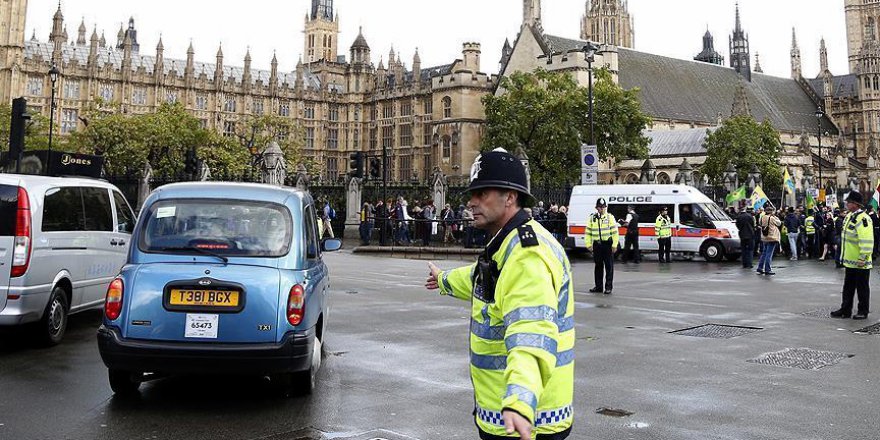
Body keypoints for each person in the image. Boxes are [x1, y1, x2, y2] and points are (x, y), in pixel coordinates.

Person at [424, 148, 575, 440]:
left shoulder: (527, 256)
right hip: (507, 417)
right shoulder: (508, 243)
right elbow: (483, 278)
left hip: (527, 423)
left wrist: (519, 402)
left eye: (482, 193)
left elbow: (532, 333)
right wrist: (444, 279)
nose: (472, 202)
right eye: (472, 193)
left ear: (510, 197)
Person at [831, 192, 873, 320]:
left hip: (860, 261)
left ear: (855, 204)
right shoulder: (850, 216)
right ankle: (845, 309)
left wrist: (863, 257)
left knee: (862, 288)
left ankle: (863, 311)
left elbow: (866, 240)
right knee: (848, 287)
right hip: (850, 261)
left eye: (849, 202)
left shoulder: (863, 219)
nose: (847, 204)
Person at [586, 198, 619, 295]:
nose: (602, 209)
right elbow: (588, 232)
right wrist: (588, 244)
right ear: (596, 208)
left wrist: (614, 244)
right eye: (600, 207)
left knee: (609, 267)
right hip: (597, 245)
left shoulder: (610, 218)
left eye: (603, 207)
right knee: (598, 266)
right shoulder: (592, 218)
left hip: (607, 245)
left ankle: (608, 287)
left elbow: (615, 232)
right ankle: (599, 286)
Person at [757, 205, 782, 275]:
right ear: (771, 212)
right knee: (769, 254)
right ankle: (768, 269)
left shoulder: (762, 218)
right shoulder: (772, 218)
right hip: (772, 237)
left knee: (764, 253)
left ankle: (760, 268)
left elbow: (760, 224)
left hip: (765, 238)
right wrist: (775, 217)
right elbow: (779, 223)